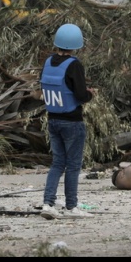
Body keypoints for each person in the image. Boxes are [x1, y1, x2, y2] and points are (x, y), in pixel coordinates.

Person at [40, 23, 95, 219]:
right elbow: (80, 95)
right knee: (73, 165)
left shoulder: (47, 63)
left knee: (57, 164)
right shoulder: (74, 65)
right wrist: (90, 94)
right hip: (72, 121)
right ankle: (71, 207)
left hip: (53, 120)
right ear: (75, 45)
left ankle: (47, 204)